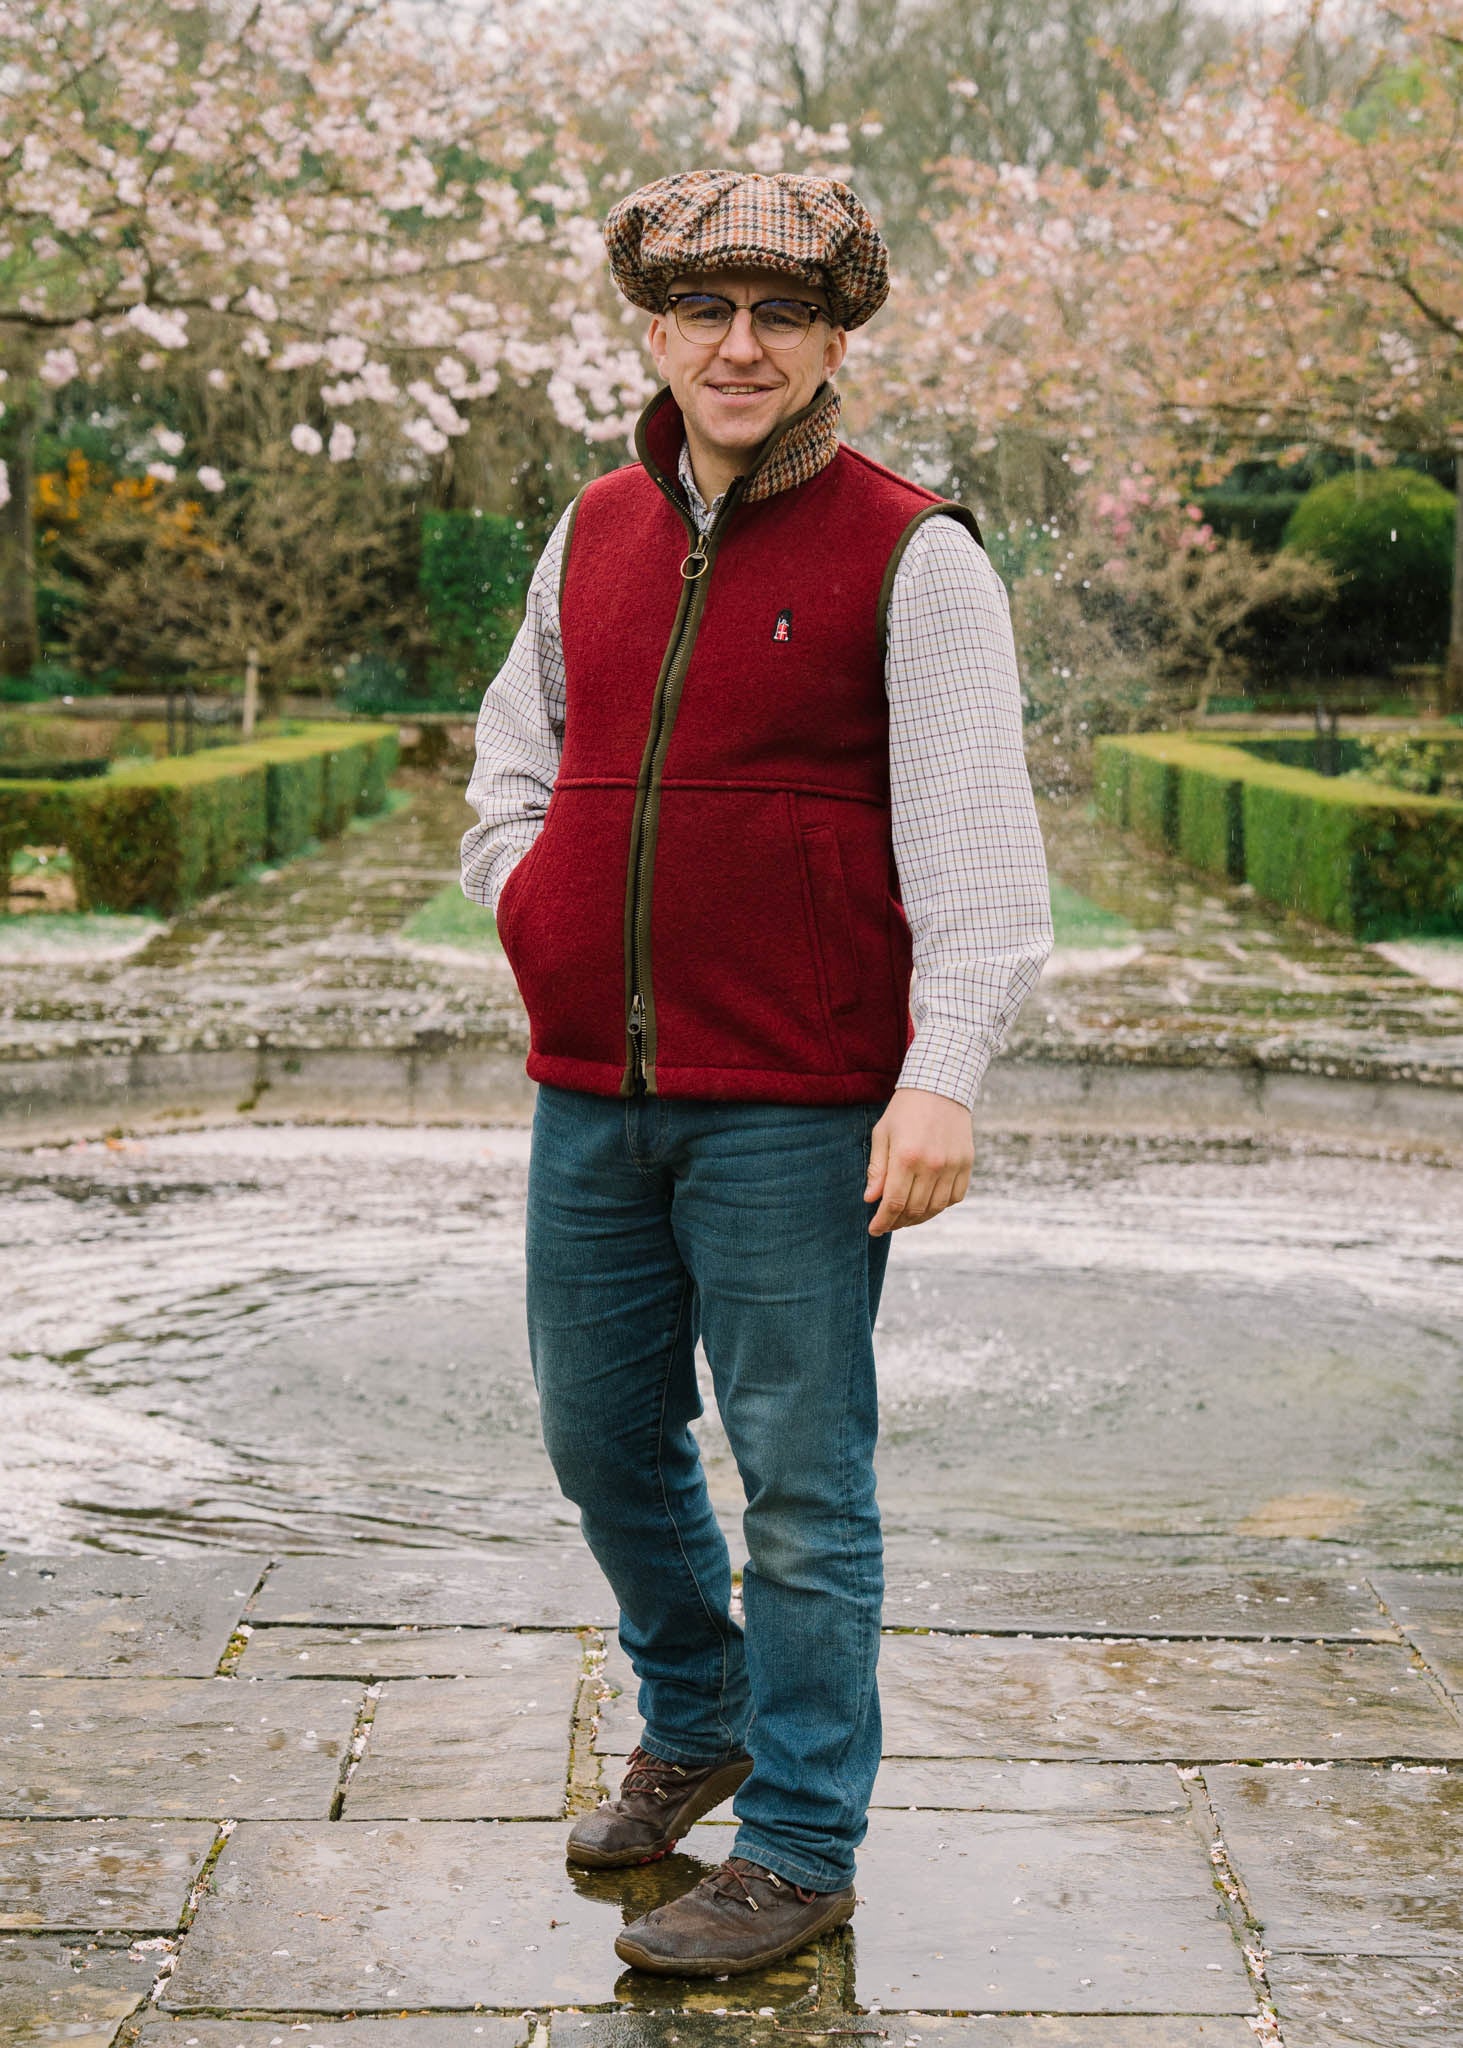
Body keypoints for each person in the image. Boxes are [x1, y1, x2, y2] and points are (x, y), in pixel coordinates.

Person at [461, 167, 1052, 1978]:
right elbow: (511, 763)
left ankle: (799, 1840)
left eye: (780, 314)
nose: (740, 344)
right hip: (593, 1088)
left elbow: (981, 848)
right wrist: (538, 898)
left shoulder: (914, 553)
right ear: (654, 330)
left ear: (830, 341)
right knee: (596, 1435)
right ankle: (697, 1710)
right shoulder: (592, 530)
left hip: (800, 1109)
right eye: (705, 310)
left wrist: (942, 1075)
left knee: (803, 1487)